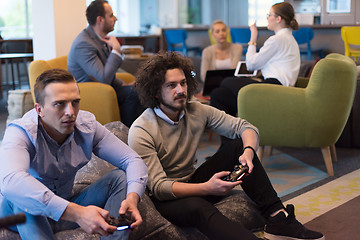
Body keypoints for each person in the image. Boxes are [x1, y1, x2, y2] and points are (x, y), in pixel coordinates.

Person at [128, 51, 324, 240]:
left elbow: (245, 127)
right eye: (171, 85)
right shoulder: (142, 130)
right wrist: (206, 188)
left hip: (192, 179)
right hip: (165, 199)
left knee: (238, 146)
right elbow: (160, 187)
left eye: (183, 82)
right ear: (155, 91)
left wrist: (248, 153)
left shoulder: (197, 110)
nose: (181, 90)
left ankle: (278, 217)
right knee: (198, 208)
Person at [0, 69, 148, 240]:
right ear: (39, 109)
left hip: (66, 206)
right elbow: (10, 181)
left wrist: (132, 197)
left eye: (75, 102)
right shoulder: (21, 131)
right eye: (59, 104)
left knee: (119, 178)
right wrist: (78, 213)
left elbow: (132, 160)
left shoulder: (87, 126)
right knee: (23, 195)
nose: (71, 112)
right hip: (21, 214)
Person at [210, 2, 300, 117]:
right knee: (218, 95)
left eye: (269, 15)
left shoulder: (277, 40)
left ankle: (235, 131)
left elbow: (251, 65)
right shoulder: (289, 39)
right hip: (277, 87)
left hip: (274, 88)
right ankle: (236, 132)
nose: (267, 18)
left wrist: (253, 37)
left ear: (278, 19)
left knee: (226, 82)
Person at [67, 0, 144, 128]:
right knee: (134, 93)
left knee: (142, 88)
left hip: (105, 87)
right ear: (100, 19)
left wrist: (124, 84)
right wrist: (116, 50)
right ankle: (128, 134)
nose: (116, 18)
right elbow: (103, 78)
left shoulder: (100, 39)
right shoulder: (84, 44)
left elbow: (108, 74)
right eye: (111, 15)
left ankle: (144, 133)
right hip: (92, 92)